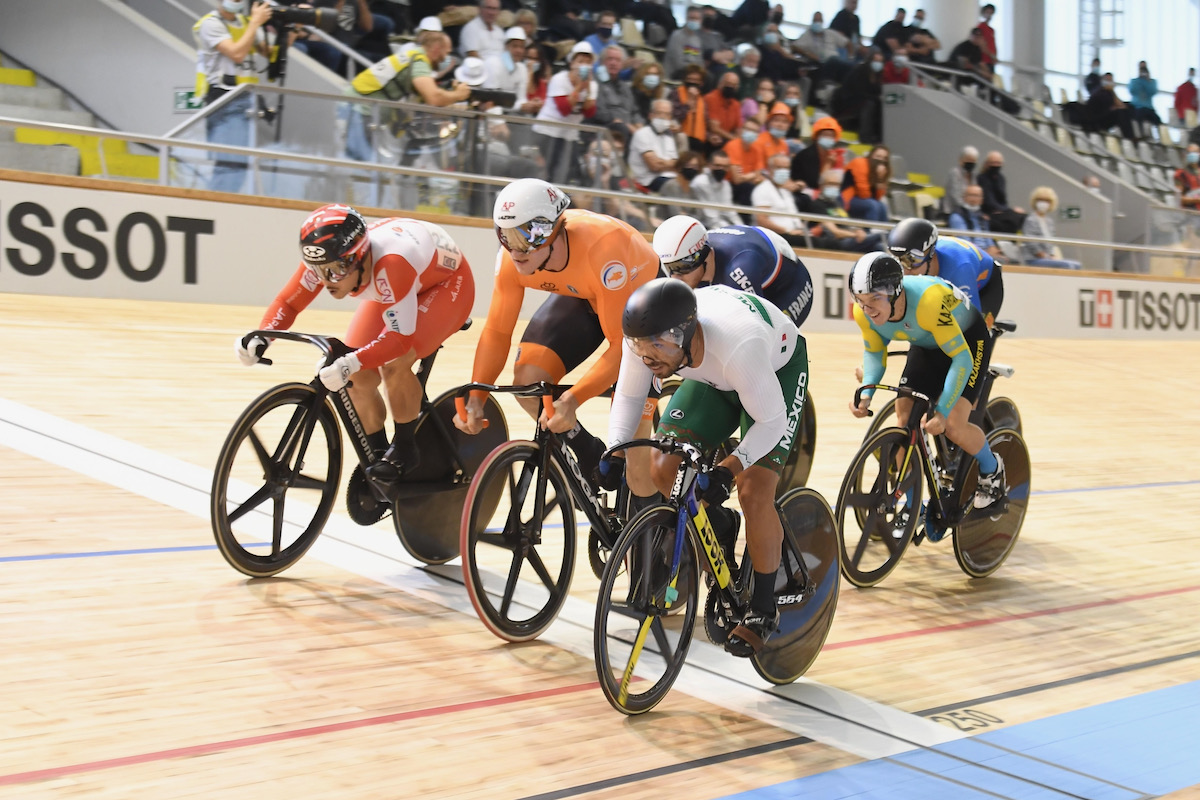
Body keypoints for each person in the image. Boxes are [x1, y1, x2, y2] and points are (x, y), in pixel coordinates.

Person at [600, 278, 812, 656]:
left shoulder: (738, 347)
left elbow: (771, 423)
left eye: (656, 348)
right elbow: (630, 395)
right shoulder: (647, 339)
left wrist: (730, 468)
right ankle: (720, 525)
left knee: (753, 489)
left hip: (772, 371)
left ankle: (763, 607)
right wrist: (615, 450)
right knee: (663, 468)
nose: (648, 357)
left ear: (683, 334)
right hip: (715, 376)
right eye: (641, 348)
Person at [237, 204, 475, 490]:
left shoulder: (392, 264)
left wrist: (351, 362)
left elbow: (399, 340)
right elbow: (288, 303)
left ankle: (405, 449)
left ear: (359, 257)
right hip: (400, 282)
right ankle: (377, 456)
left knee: (393, 362)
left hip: (446, 286)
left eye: (336, 271)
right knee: (355, 374)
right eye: (319, 271)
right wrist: (263, 336)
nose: (326, 281)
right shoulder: (326, 254)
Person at [454, 179, 660, 491]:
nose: (515, 249)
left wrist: (574, 399)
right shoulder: (512, 258)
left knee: (636, 453)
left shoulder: (603, 249)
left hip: (644, 304)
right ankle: (585, 447)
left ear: (553, 229)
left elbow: (624, 347)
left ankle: (655, 524)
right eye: (505, 235)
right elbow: (497, 331)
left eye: (527, 235)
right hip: (586, 294)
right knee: (530, 383)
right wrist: (477, 399)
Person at [847, 252, 1007, 517]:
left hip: (966, 342)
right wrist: (866, 393)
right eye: (861, 300)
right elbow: (875, 353)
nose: (868, 308)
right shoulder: (863, 313)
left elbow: (962, 360)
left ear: (896, 292)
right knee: (904, 423)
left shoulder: (928, 302)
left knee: (954, 426)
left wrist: (943, 411)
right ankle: (913, 508)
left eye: (875, 298)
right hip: (927, 342)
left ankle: (992, 470)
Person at [653, 214, 815, 325]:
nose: (675, 277)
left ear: (704, 256)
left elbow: (756, 325)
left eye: (682, 267)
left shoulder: (739, 268)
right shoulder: (689, 257)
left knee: (768, 339)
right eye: (670, 268)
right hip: (756, 266)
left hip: (790, 286)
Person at [346, 31, 472, 162]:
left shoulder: (413, 58)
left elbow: (432, 104)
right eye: (446, 53)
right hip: (359, 112)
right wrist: (457, 95)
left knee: (371, 167)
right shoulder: (419, 61)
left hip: (361, 112)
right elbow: (434, 98)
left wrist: (464, 107)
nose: (446, 59)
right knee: (366, 167)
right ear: (436, 49)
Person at [192, 0, 272, 194]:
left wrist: (292, 30)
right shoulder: (210, 23)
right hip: (225, 100)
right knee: (230, 165)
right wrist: (255, 23)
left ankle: (215, 209)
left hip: (246, 101)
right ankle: (212, 210)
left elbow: (270, 54)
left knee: (238, 166)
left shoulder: (246, 22)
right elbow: (236, 53)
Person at [887, 217, 1003, 328]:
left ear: (931, 254)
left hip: (986, 286)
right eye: (899, 261)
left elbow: (971, 323)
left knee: (975, 336)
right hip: (950, 278)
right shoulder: (912, 267)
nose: (906, 270)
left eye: (912, 260)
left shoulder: (959, 268)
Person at [531, 41, 597, 184]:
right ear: (572, 63)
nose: (584, 65)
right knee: (548, 173)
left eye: (588, 62)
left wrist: (588, 89)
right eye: (580, 61)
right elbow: (564, 110)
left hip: (569, 135)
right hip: (547, 132)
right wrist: (579, 88)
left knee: (567, 175)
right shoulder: (559, 79)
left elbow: (590, 112)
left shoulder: (593, 85)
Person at [796, 169, 887, 253]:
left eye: (837, 184)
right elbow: (835, 232)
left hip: (851, 238)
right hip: (838, 242)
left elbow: (847, 223)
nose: (834, 187)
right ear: (822, 185)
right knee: (883, 235)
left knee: (879, 247)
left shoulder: (837, 204)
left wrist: (858, 230)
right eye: (830, 183)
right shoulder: (817, 205)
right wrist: (854, 235)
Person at [752, 152, 807, 245]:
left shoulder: (785, 191)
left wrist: (803, 230)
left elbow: (793, 215)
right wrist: (788, 231)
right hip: (775, 236)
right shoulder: (763, 189)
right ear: (769, 169)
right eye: (779, 167)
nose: (783, 171)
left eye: (786, 168)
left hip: (794, 234)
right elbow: (762, 221)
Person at [1020, 187, 1082, 270]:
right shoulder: (1031, 219)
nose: (1043, 203)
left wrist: (1052, 255)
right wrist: (1044, 256)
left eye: (1047, 201)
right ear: (1035, 201)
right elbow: (1031, 242)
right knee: (1068, 266)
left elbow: (1052, 242)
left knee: (1077, 265)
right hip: (1034, 259)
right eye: (1040, 200)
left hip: (1048, 257)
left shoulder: (1049, 221)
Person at [832, 50, 884, 145]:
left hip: (865, 100)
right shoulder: (860, 71)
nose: (878, 64)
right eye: (876, 61)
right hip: (848, 101)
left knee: (879, 104)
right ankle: (865, 137)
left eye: (880, 61)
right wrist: (876, 98)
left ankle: (879, 136)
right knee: (870, 104)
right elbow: (858, 91)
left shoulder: (878, 76)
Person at [630, 98, 680, 192]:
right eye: (659, 113)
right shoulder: (642, 134)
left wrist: (662, 162)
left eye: (667, 114)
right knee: (675, 187)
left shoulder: (669, 136)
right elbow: (654, 166)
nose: (663, 117)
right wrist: (669, 163)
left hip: (670, 176)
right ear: (651, 115)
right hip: (648, 180)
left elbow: (677, 164)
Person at [482, 27, 535, 114]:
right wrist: (520, 106)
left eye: (522, 47)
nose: (519, 50)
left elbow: (521, 98)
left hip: (510, 114)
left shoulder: (522, 69)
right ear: (506, 47)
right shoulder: (492, 63)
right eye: (514, 46)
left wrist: (529, 105)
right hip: (488, 112)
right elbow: (491, 100)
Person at [790, 116, 846, 191]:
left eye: (831, 135)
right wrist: (828, 164)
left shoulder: (833, 154)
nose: (828, 138)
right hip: (804, 189)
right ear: (817, 136)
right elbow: (815, 183)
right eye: (825, 135)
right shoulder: (807, 155)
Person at [947, 184, 1003, 259]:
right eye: (970, 195)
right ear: (964, 197)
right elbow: (965, 242)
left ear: (982, 199)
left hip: (985, 253)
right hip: (969, 254)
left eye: (977, 196)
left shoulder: (983, 217)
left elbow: (988, 237)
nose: (973, 199)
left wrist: (992, 247)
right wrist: (985, 253)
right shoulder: (957, 216)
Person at [976, 151, 1025, 234]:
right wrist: (1008, 210)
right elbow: (988, 201)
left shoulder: (1001, 178)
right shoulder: (982, 178)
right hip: (988, 213)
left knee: (1023, 217)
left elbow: (1004, 200)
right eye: (993, 163)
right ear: (987, 164)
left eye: (998, 163)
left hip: (1001, 211)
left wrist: (1006, 210)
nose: (996, 165)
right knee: (1010, 222)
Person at [690, 149, 742, 229]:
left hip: (720, 224)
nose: (721, 169)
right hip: (700, 226)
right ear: (709, 165)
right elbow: (710, 217)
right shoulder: (701, 182)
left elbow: (730, 211)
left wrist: (743, 228)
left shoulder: (726, 184)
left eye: (725, 167)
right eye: (717, 165)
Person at [843, 145, 891, 222]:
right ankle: (871, 232)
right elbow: (863, 193)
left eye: (884, 158)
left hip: (865, 201)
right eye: (878, 156)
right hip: (847, 199)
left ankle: (884, 233)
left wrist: (880, 179)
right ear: (871, 155)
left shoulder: (881, 171)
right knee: (873, 205)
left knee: (882, 206)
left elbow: (877, 197)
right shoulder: (860, 163)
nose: (880, 160)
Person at [1084, 72, 1138, 142]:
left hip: (1105, 117)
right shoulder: (1100, 93)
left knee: (1129, 108)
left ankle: (1131, 136)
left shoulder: (1108, 93)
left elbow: (1122, 106)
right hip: (1097, 121)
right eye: (1107, 80)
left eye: (1110, 80)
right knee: (1120, 112)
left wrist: (1112, 91)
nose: (1109, 82)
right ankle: (1129, 137)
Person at [704, 71, 743, 152]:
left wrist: (736, 140)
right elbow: (714, 128)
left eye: (734, 85)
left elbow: (738, 129)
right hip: (711, 139)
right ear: (720, 84)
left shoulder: (736, 104)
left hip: (728, 140)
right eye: (728, 83)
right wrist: (735, 140)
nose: (730, 87)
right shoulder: (711, 98)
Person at [664, 6, 707, 81]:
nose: (694, 21)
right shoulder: (677, 35)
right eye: (691, 18)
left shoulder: (697, 40)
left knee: (708, 77)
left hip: (693, 72)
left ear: (701, 21)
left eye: (697, 19)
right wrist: (695, 70)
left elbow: (700, 61)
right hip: (676, 73)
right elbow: (678, 63)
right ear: (686, 18)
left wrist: (700, 70)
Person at [942, 145, 978, 216]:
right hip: (953, 211)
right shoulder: (955, 173)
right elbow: (955, 197)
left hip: (970, 210)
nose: (971, 163)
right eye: (968, 160)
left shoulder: (973, 175)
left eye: (973, 161)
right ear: (961, 160)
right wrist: (970, 208)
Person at [1128, 61, 1162, 128]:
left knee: (1158, 122)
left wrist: (1148, 80)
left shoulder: (1152, 81)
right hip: (1137, 108)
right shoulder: (1134, 81)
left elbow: (1153, 92)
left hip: (1149, 108)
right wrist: (1139, 79)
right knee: (1138, 119)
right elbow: (1132, 90)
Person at [1174, 143, 1200, 210]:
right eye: (1189, 153)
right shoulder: (1180, 174)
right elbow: (1178, 198)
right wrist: (1196, 200)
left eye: (1194, 152)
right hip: (1189, 212)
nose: (1192, 154)